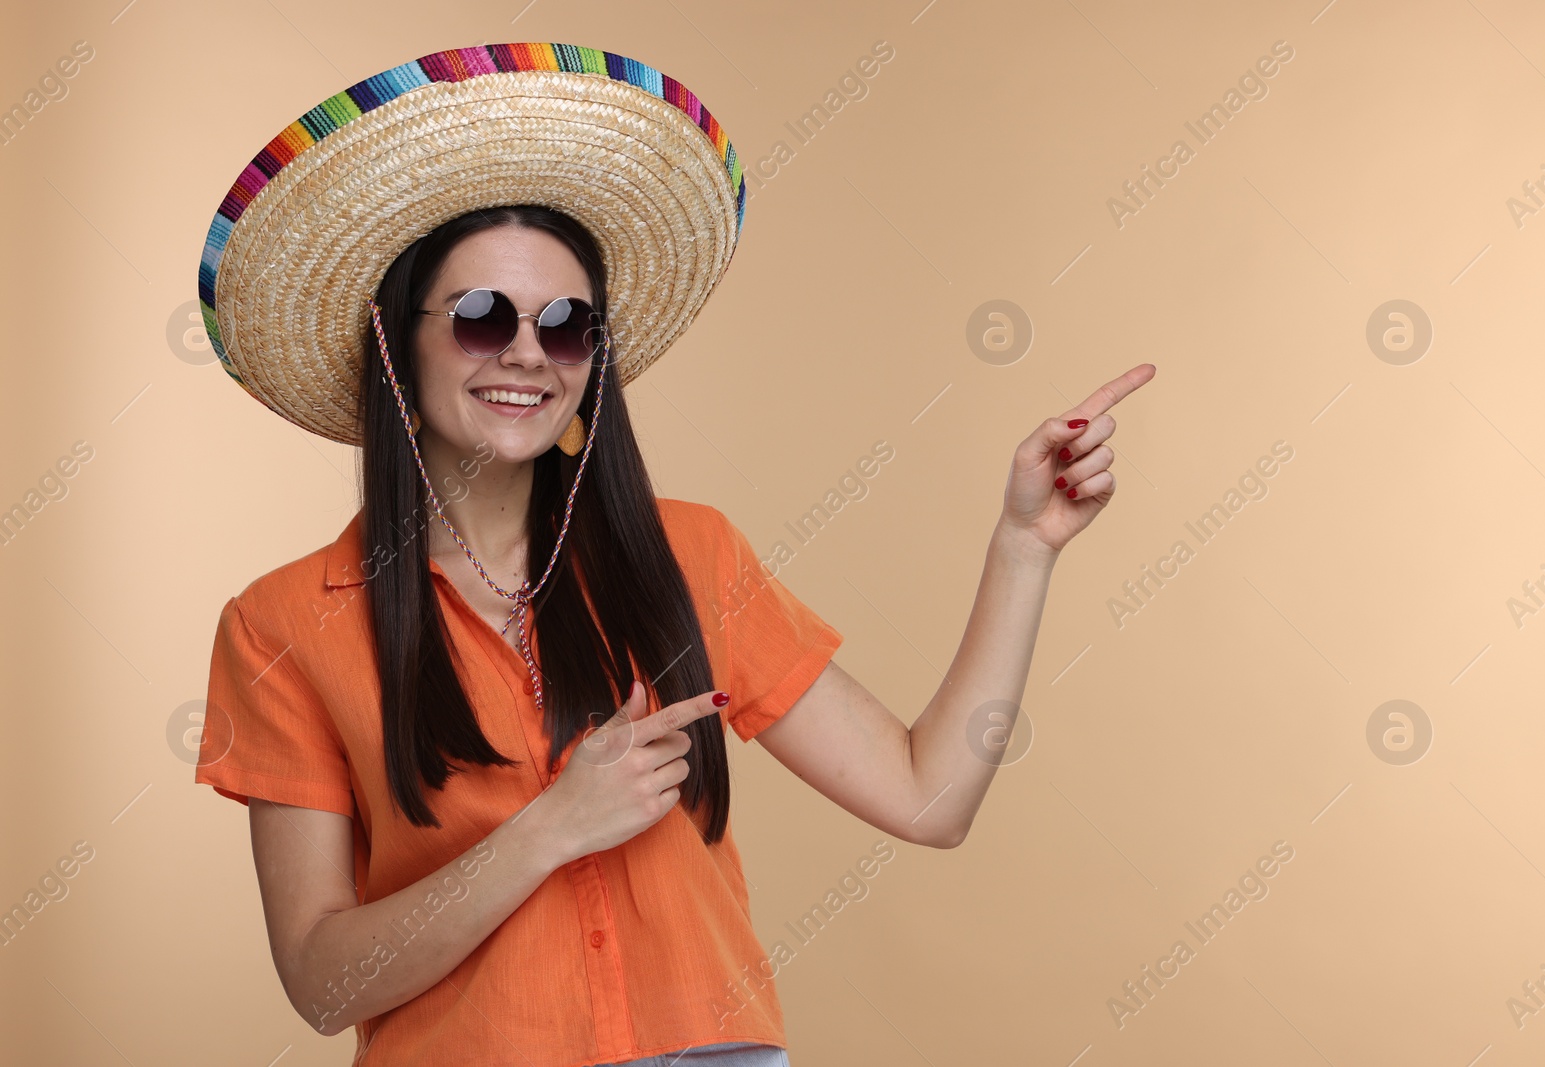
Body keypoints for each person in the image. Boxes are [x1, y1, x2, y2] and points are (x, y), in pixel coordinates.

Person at [194, 41, 1154, 1067]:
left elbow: (929, 798)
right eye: (481, 316)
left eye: (566, 326)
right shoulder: (286, 620)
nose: (527, 351)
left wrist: (1023, 546)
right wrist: (550, 826)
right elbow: (319, 980)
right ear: (396, 343)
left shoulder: (689, 554)